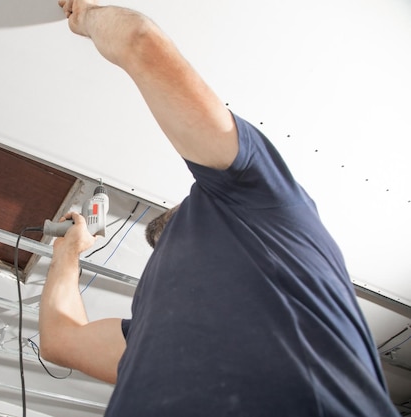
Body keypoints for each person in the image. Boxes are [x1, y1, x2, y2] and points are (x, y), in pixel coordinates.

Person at [38, 1, 400, 416]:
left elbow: (141, 41)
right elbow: (62, 340)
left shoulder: (260, 198)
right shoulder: (151, 334)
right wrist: (68, 254)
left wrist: (84, 14)